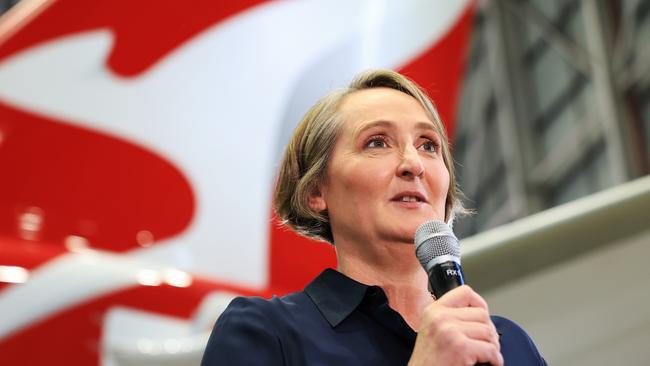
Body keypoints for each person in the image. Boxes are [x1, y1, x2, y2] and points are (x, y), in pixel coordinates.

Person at [201, 69, 547, 365]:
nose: (413, 163)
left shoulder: (510, 344)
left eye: (428, 145)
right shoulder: (266, 333)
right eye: (377, 143)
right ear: (316, 191)